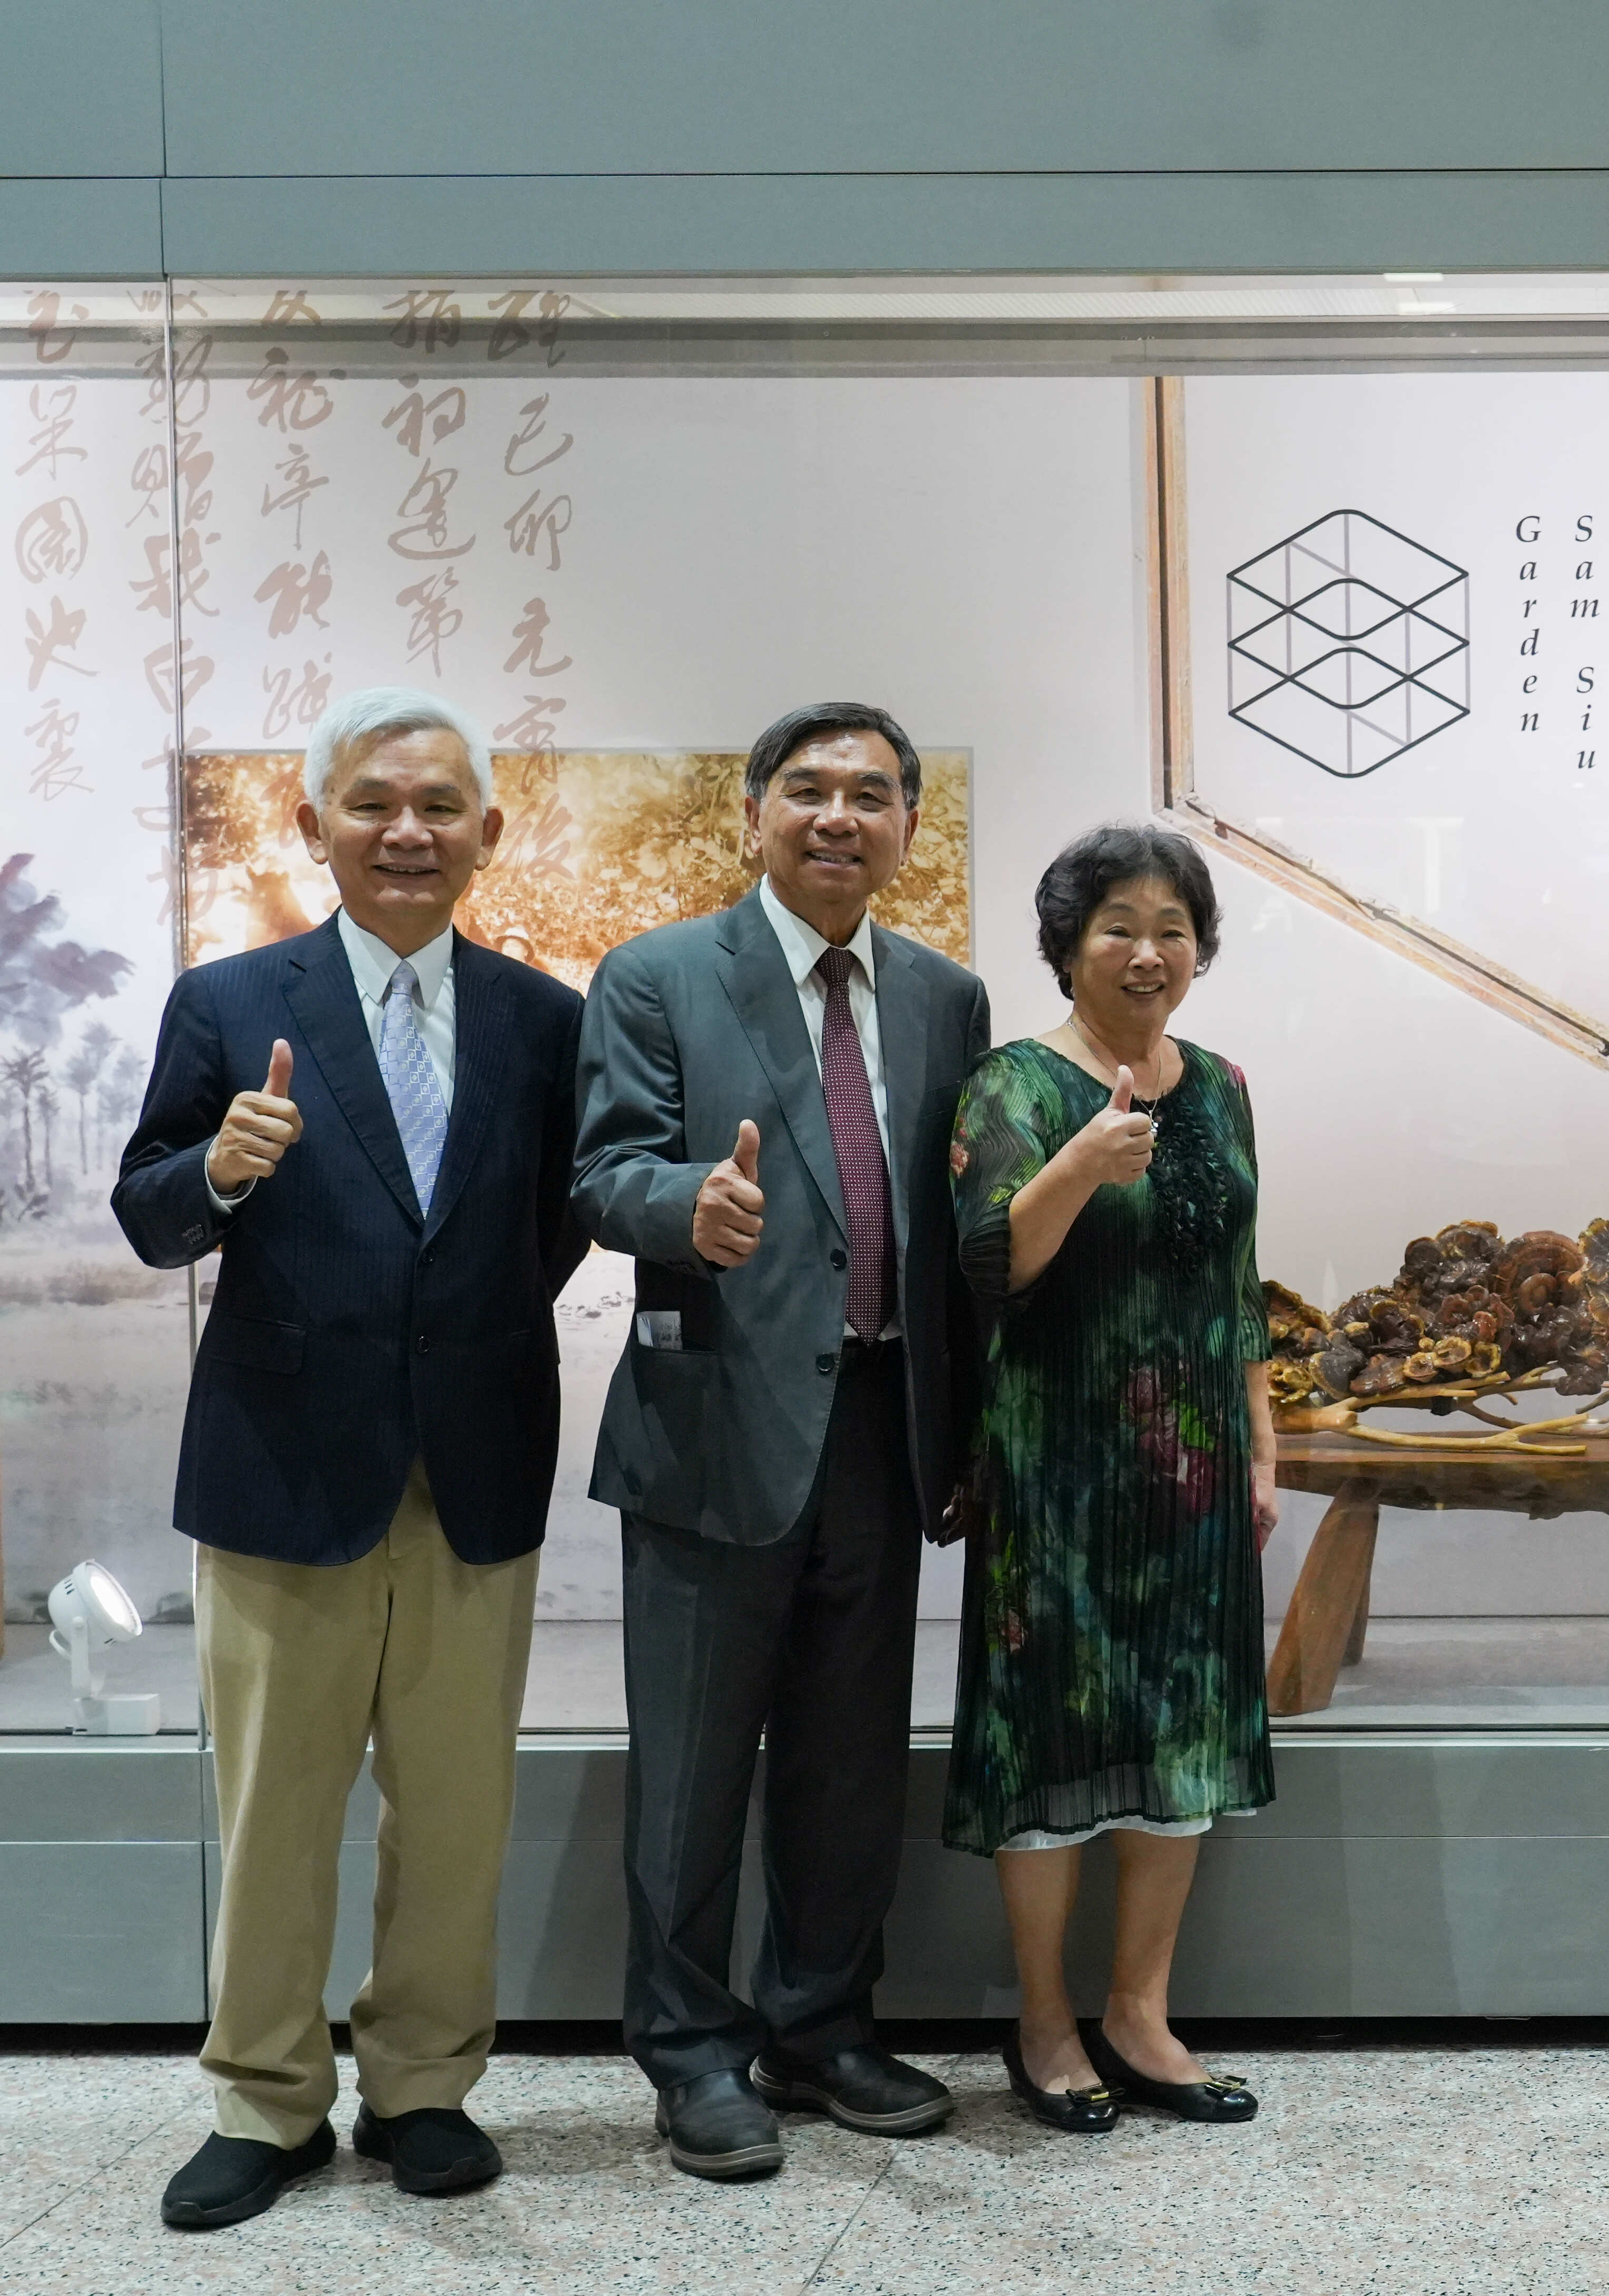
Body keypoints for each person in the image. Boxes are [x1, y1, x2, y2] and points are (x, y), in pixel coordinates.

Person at [113, 687, 586, 2229]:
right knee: (275, 1810)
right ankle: (266, 2098)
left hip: (475, 1468)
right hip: (282, 1469)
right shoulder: (230, 997)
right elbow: (148, 1211)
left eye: (440, 806)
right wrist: (218, 1168)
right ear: (314, 823)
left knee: (457, 1810)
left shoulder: (543, 1020)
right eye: (374, 802)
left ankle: (422, 2086)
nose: (407, 830)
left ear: (487, 832)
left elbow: (548, 1226)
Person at [574, 700, 992, 2179]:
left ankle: (821, 2026)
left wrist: (964, 1426)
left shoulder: (947, 995)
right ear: (753, 813)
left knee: (850, 1758)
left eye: (870, 794)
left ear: (908, 827)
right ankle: (691, 2049)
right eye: (807, 789)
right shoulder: (657, 974)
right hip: (715, 1424)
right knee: (693, 1766)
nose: (837, 816)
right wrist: (684, 1201)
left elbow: (954, 1227)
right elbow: (604, 1169)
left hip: (883, 1420)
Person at [946, 825, 1278, 2132]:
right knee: (1053, 1735)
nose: (1149, 952)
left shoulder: (1225, 1085)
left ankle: (1141, 2012)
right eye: (1119, 928)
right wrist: (1081, 1162)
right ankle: (1045, 2019)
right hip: (1056, 1469)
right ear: (1069, 948)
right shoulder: (1014, 1083)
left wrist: (1261, 1440)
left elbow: (1238, 1279)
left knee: (1182, 1733)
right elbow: (991, 1266)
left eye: (1172, 928)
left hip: (1193, 1474)